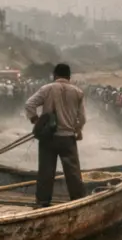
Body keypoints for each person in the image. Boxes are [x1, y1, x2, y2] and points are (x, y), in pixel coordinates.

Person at [24, 63, 86, 208]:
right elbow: (82, 118)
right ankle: (78, 203)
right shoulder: (78, 92)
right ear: (69, 77)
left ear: (55, 75)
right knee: (73, 174)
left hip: (48, 138)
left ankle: (42, 203)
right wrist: (77, 129)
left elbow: (29, 104)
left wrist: (36, 121)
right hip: (68, 138)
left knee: (46, 172)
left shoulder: (47, 88)